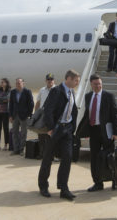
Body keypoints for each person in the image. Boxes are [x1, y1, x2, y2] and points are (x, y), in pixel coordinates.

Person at [38, 69, 80, 201]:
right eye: (76, 81)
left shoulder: (72, 92)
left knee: (67, 157)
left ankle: (63, 188)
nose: (77, 83)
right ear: (68, 79)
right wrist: (50, 128)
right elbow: (48, 110)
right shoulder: (56, 91)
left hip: (67, 129)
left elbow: (73, 110)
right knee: (48, 157)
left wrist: (72, 127)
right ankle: (43, 185)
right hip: (55, 129)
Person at [76, 74, 117, 192]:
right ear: (91, 84)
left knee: (110, 157)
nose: (98, 86)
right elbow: (87, 114)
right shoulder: (88, 96)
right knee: (94, 158)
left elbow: (115, 115)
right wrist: (83, 129)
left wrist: (116, 132)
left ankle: (115, 181)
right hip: (93, 131)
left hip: (106, 131)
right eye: (96, 84)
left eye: (100, 83)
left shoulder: (108, 96)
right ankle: (97, 182)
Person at [9, 78, 34, 156]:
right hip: (15, 116)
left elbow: (31, 104)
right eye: (16, 83)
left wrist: (28, 114)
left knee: (23, 133)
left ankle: (21, 149)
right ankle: (15, 149)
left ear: (23, 83)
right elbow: (11, 105)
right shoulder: (13, 92)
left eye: (19, 83)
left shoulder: (27, 92)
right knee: (14, 133)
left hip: (24, 116)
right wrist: (10, 115)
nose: (18, 84)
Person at [35, 73, 56, 159]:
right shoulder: (42, 90)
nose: (50, 81)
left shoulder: (57, 90)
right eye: (48, 79)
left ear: (54, 80)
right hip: (42, 115)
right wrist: (35, 115)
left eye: (51, 79)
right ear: (46, 80)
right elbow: (38, 102)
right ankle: (41, 153)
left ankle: (51, 155)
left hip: (53, 115)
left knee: (51, 136)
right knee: (41, 135)